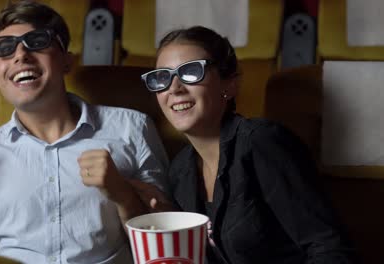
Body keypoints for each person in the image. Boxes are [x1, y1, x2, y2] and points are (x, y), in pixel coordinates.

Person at [0, 1, 168, 263]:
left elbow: (165, 241)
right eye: (4, 49)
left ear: (66, 61)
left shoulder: (132, 128)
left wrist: (123, 194)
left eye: (37, 41)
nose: (21, 55)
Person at [139, 26, 354, 263]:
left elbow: (330, 250)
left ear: (229, 85)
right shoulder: (180, 172)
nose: (174, 88)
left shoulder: (262, 142)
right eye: (162, 77)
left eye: (191, 72)